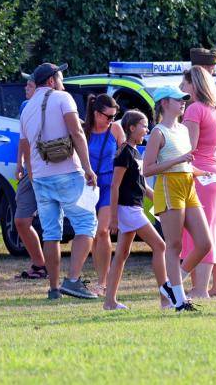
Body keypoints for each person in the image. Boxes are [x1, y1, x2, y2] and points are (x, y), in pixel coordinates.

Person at [18, 62, 98, 300]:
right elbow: (77, 132)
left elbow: (26, 148)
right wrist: (88, 168)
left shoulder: (26, 109)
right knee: (86, 223)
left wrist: (33, 177)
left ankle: (54, 289)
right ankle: (72, 280)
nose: (63, 82)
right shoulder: (63, 98)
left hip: (40, 177)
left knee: (51, 233)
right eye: (61, 78)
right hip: (68, 172)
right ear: (52, 81)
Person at [142, 85, 212, 312]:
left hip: (187, 185)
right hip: (168, 187)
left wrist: (200, 172)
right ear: (164, 103)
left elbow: (184, 163)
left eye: (183, 99)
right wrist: (179, 160)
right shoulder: (158, 132)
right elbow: (147, 169)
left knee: (205, 243)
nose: (183, 102)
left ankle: (171, 287)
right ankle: (180, 300)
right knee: (174, 245)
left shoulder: (182, 129)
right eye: (177, 99)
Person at [103, 110, 168, 310]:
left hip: (132, 208)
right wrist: (113, 218)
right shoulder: (124, 152)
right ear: (131, 128)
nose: (147, 130)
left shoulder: (135, 152)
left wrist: (160, 202)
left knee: (122, 253)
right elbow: (115, 186)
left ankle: (109, 302)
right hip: (128, 210)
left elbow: (142, 185)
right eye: (144, 126)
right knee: (160, 246)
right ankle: (166, 299)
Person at [180, 66, 216, 298]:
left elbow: (189, 148)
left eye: (185, 84)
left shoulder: (195, 109)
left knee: (198, 232)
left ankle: (200, 288)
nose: (182, 88)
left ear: (195, 85)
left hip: (200, 173)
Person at [83, 94, 126, 296]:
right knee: (92, 233)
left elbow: (127, 155)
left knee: (102, 231)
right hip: (89, 187)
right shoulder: (83, 130)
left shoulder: (115, 129)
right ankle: (102, 278)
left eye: (114, 116)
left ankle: (103, 282)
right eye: (108, 116)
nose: (111, 120)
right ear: (96, 113)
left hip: (110, 185)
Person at [14, 73, 46, 281]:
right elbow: (23, 138)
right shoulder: (25, 106)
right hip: (31, 169)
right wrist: (20, 163)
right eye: (26, 84)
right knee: (21, 220)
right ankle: (40, 265)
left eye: (30, 85)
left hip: (50, 170)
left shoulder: (56, 104)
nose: (26, 88)